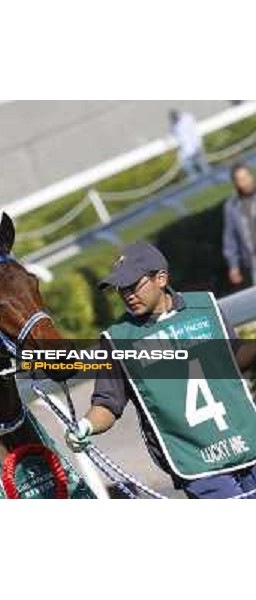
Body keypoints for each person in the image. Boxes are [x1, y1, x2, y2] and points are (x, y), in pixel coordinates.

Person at [65, 242, 256, 499]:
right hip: (197, 464)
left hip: (246, 439)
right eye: (121, 289)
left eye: (134, 285)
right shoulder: (118, 338)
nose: (127, 295)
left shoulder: (205, 307)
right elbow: (108, 403)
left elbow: (233, 359)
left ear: (162, 278)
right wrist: (87, 425)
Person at [223, 162, 256, 287]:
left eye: (247, 176)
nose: (246, 181)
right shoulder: (232, 206)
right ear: (236, 183)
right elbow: (230, 238)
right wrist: (233, 266)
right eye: (241, 179)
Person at [169, 109, 210, 180]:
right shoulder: (174, 125)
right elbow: (175, 135)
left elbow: (194, 132)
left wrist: (198, 145)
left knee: (203, 165)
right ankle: (194, 177)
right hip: (186, 150)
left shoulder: (187, 118)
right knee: (185, 162)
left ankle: (209, 177)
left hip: (196, 145)